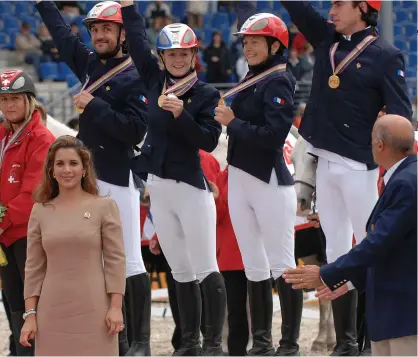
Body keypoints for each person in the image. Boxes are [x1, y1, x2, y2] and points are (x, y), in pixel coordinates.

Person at [279, 1, 413, 354]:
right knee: (336, 252)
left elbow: (400, 115)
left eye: (340, 4)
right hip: (324, 160)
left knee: (371, 250)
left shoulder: (386, 55)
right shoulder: (327, 38)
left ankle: (373, 337)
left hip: (359, 164)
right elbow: (300, 12)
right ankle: (346, 342)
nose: (332, 10)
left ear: (362, 8)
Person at [35, 1, 151, 355]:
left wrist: (94, 105)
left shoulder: (135, 75)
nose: (99, 35)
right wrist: (44, 4)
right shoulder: (88, 64)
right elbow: (60, 35)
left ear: (121, 35)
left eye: (107, 29)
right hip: (87, 182)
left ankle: (140, 343)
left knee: (129, 258)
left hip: (118, 175)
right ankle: (116, 336)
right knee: (100, 260)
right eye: (95, 29)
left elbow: (134, 130)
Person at [119, 2, 226, 355]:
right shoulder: (153, 79)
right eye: (171, 53)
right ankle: (189, 342)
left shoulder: (206, 93)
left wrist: (182, 116)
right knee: (179, 269)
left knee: (206, 266)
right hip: (159, 188)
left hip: (191, 188)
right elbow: (135, 42)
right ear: (162, 56)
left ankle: (213, 344)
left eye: (184, 53)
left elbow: (209, 140)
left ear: (194, 55)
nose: (178, 59)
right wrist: (129, 8)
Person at [284, 114, 417, 357]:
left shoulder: (406, 183)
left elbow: (379, 243)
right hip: (392, 313)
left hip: (402, 313)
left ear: (379, 145)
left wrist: (326, 273)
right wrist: (351, 282)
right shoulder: (403, 178)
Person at [213, 6, 301, 356]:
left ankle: (290, 344)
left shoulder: (278, 80)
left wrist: (232, 123)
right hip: (239, 177)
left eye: (255, 42)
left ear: (275, 46)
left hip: (268, 180)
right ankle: (262, 343)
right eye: (246, 41)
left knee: (283, 264)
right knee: (253, 265)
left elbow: (273, 135)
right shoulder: (250, 79)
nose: (247, 47)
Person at [19, 135, 126, 355]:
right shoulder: (40, 211)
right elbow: (33, 268)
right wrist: (30, 315)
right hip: (51, 312)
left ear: (84, 168)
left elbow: (116, 261)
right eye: (60, 163)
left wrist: (116, 307)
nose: (67, 170)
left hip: (96, 310)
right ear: (51, 169)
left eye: (73, 163)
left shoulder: (105, 206)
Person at [0, 69, 55, 356]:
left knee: (33, 304)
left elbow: (34, 192)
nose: (9, 106)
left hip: (27, 236)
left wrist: (2, 222)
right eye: (4, 99)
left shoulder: (41, 138)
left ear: (29, 101)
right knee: (12, 302)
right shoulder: (2, 134)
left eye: (15, 99)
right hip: (4, 237)